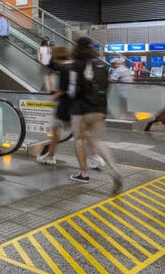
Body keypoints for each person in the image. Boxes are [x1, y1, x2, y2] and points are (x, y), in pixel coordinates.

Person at [66, 37, 122, 192]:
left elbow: (72, 90)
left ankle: (83, 173)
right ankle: (114, 170)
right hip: (99, 108)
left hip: (80, 109)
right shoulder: (102, 65)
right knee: (99, 141)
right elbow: (107, 88)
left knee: (78, 140)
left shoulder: (75, 65)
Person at [37, 46, 71, 165]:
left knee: (57, 131)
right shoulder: (72, 65)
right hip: (73, 103)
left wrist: (54, 96)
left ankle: (94, 158)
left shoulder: (62, 67)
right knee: (57, 130)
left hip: (64, 103)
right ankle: (51, 155)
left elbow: (63, 88)